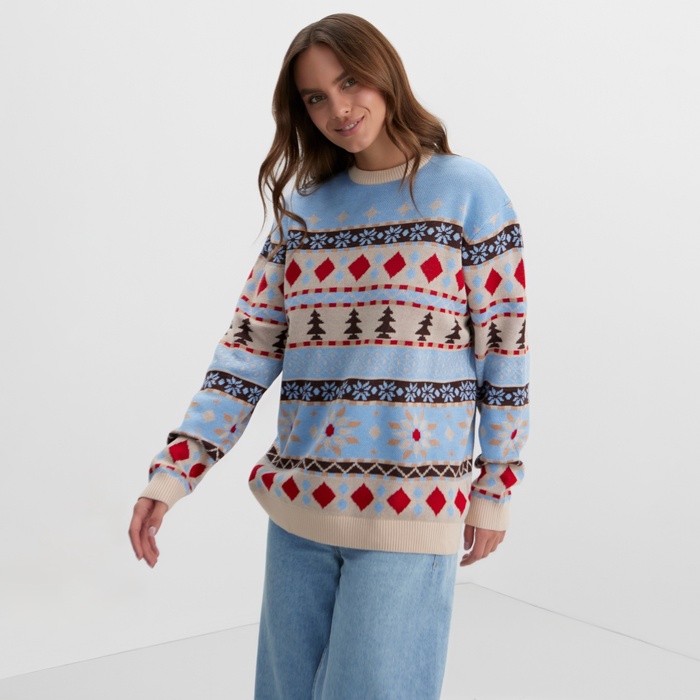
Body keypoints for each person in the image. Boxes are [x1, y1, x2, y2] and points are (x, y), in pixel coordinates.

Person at [128, 12, 529, 700]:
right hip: (298, 509)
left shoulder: (467, 193)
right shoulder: (305, 210)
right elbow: (247, 351)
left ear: (386, 75)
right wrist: (173, 473)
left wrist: (495, 489)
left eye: (350, 82)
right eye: (315, 97)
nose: (338, 110)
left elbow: (506, 355)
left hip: (412, 508)